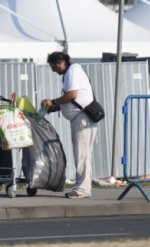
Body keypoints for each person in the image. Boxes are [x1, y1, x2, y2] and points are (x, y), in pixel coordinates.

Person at [40, 51, 98, 199]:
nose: (53, 70)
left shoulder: (72, 71)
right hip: (82, 117)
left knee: (82, 155)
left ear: (60, 62)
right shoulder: (72, 71)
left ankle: (81, 190)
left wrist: (52, 102)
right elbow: (73, 99)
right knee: (84, 155)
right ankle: (85, 188)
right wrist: (55, 108)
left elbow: (72, 95)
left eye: (53, 67)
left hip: (82, 117)